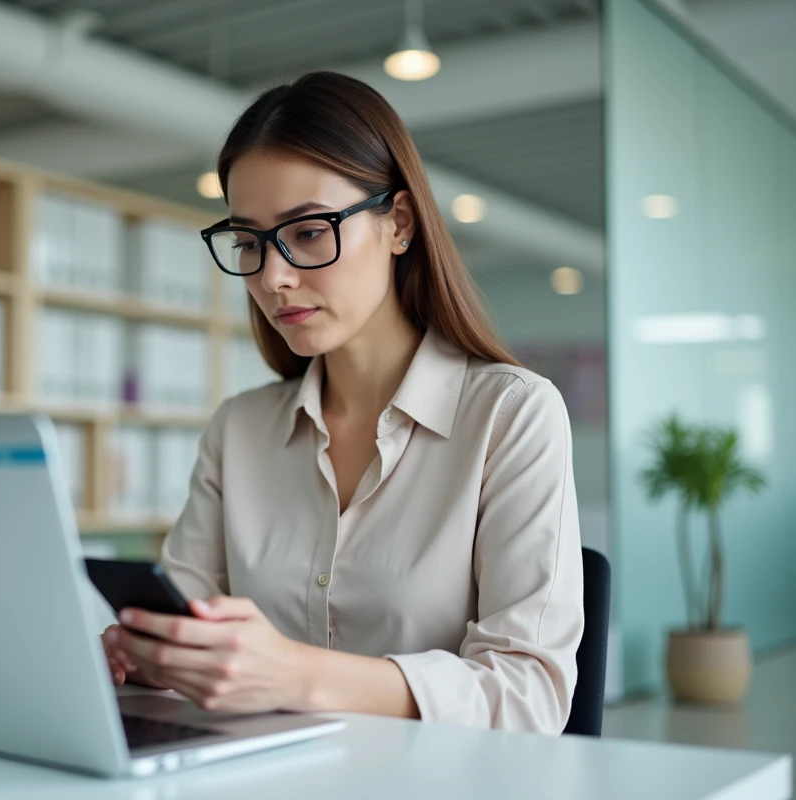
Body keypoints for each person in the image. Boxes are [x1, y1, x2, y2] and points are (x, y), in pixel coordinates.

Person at [102, 71, 584, 734]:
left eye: (306, 231)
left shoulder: (512, 415)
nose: (273, 277)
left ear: (399, 225)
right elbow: (185, 620)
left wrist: (295, 675)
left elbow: (530, 695)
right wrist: (151, 652)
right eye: (248, 243)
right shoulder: (238, 430)